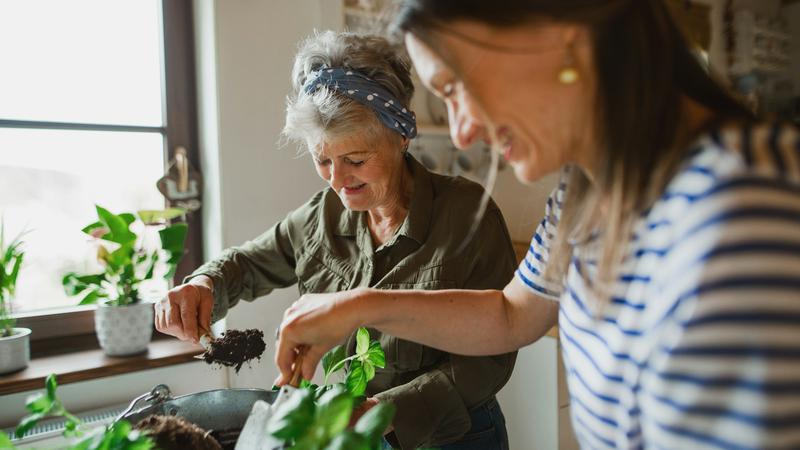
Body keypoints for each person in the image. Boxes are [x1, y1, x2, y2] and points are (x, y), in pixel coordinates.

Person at [274, 1, 800, 449]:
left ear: (559, 38)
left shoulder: (741, 211)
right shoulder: (584, 193)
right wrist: (358, 308)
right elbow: (510, 314)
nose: (462, 133)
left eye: (455, 87)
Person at [154, 31, 518, 450]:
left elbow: (490, 359)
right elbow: (248, 264)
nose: (338, 181)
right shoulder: (319, 217)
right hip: (357, 433)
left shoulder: (467, 215)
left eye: (356, 161)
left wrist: (384, 410)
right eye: (322, 160)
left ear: (401, 136)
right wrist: (203, 285)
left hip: (453, 437)